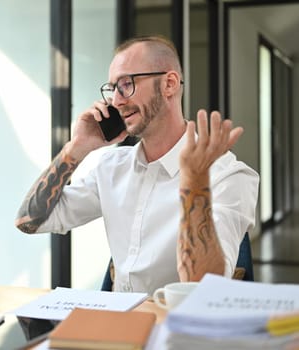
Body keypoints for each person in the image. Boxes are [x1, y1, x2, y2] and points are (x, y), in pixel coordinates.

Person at [14, 35, 259, 295]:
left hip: (181, 328)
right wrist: (78, 147)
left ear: (169, 84)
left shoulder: (229, 175)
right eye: (112, 89)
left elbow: (203, 288)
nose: (116, 101)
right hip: (117, 324)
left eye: (126, 84)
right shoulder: (112, 167)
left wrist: (194, 182)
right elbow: (30, 221)